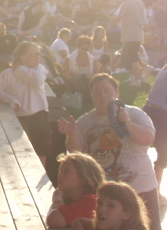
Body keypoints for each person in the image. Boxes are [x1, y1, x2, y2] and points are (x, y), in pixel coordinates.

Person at [58, 74, 160, 230]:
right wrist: (72, 134)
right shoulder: (84, 121)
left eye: (107, 90)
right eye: (97, 92)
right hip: (108, 197)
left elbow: (148, 139)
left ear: (117, 92)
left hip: (142, 187)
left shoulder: (134, 113)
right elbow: (78, 155)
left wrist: (127, 123)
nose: (102, 96)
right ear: (91, 95)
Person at [0, 41, 49, 165]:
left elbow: (37, 80)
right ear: (22, 56)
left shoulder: (40, 70)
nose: (38, 57)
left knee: (41, 151)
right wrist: (12, 100)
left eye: (39, 54)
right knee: (18, 153)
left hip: (39, 115)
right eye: (34, 54)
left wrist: (19, 69)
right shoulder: (8, 74)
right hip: (17, 117)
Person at [46, 152, 106, 228]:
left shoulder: (92, 201)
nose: (59, 175)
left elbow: (54, 220)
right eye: (60, 171)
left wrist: (58, 202)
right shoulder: (73, 199)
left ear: (84, 177)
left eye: (67, 171)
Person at [72, 182, 150, 230]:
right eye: (100, 203)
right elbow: (79, 222)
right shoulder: (110, 225)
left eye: (111, 206)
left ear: (126, 215)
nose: (101, 209)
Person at [142, 65, 167, 207]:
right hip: (159, 113)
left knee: (139, 149)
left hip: (149, 109)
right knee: (164, 153)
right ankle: (155, 193)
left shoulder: (164, 68)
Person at [112, 0, 146, 86]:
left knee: (132, 58)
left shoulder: (126, 4)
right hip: (137, 33)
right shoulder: (140, 3)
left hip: (130, 34)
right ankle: (138, 75)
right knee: (126, 59)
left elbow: (118, 18)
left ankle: (137, 79)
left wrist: (106, 14)